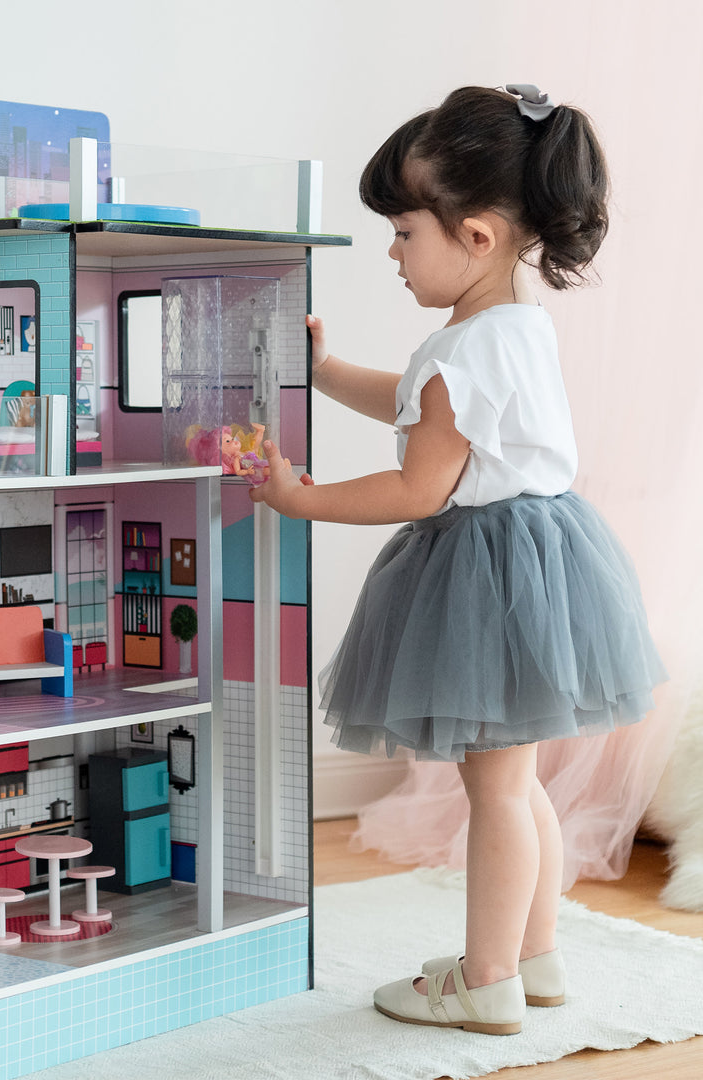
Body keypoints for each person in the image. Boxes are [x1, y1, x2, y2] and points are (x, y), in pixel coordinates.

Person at [250, 84, 665, 1035]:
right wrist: (326, 371)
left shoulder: (458, 354)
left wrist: (297, 497)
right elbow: (419, 399)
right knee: (518, 787)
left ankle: (485, 981)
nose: (393, 254)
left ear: (474, 235)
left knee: (499, 794)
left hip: (484, 574)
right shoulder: (512, 330)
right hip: (547, 560)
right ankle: (535, 956)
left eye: (403, 232)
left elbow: (417, 489)